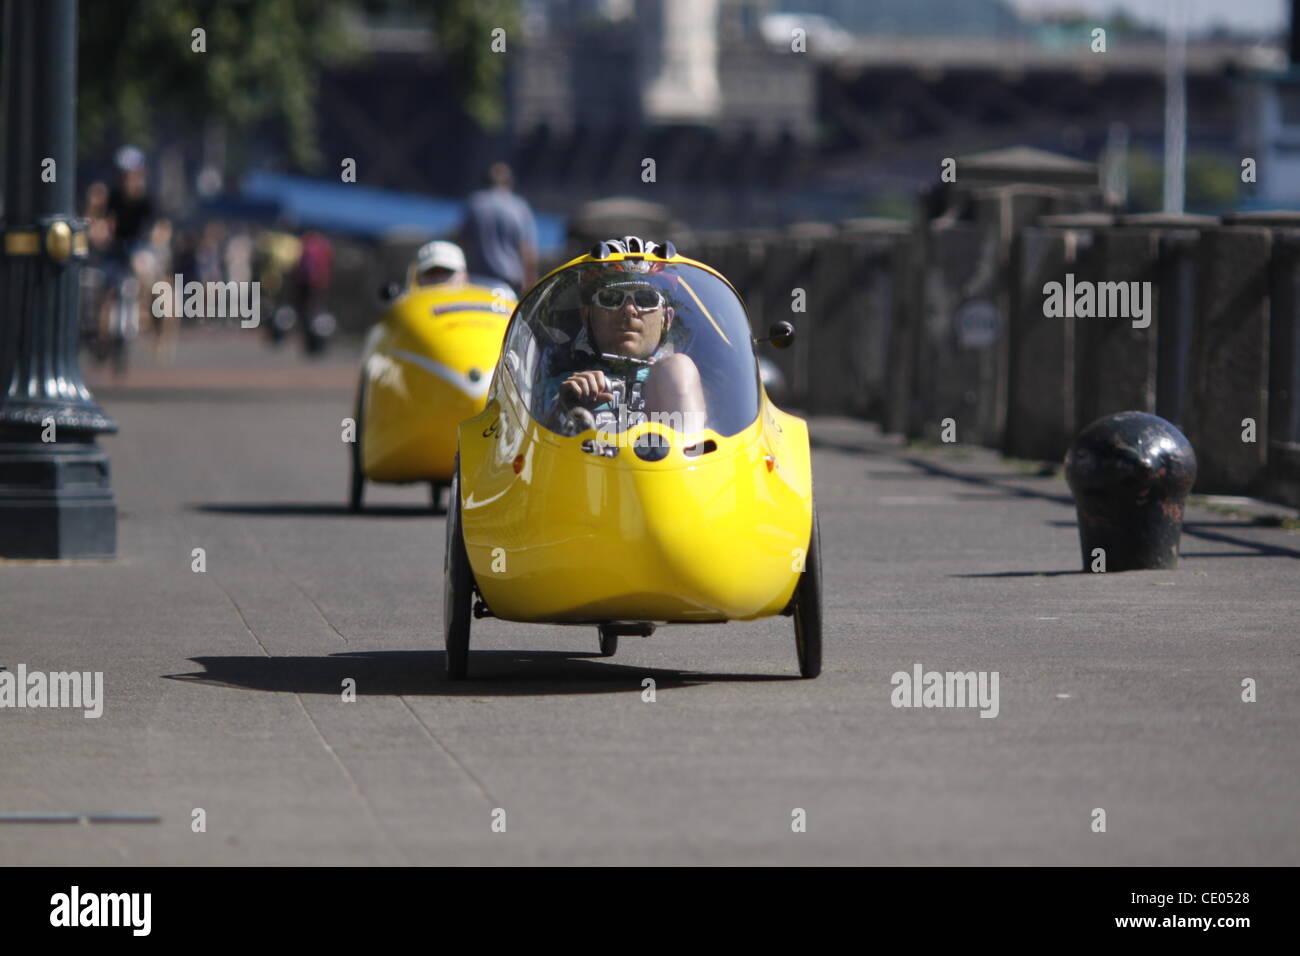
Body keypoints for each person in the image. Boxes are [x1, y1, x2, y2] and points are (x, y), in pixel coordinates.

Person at [544, 268, 705, 437]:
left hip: (673, 462)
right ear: (587, 315)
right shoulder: (558, 385)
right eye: (611, 298)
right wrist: (563, 412)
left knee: (677, 367)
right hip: (581, 463)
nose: (629, 309)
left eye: (646, 299)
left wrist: (671, 382)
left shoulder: (691, 381)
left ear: (667, 318)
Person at [458, 162, 538, 294]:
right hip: (507, 286)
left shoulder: (474, 203)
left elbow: (463, 242)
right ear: (509, 183)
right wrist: (531, 285)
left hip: (475, 283)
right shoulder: (519, 207)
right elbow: (527, 249)